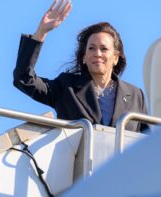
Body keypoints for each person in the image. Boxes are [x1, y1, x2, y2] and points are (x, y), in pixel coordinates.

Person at [13, 0, 148, 132]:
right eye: (91, 48)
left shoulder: (136, 96)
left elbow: (147, 140)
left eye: (104, 49)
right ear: (84, 57)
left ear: (116, 58)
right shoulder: (66, 87)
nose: (97, 54)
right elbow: (24, 79)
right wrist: (41, 32)